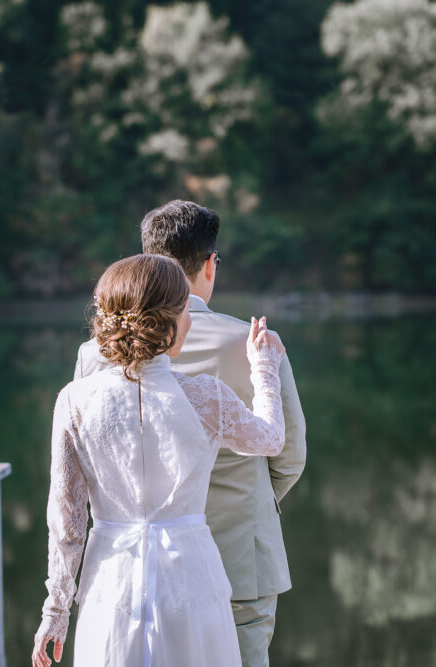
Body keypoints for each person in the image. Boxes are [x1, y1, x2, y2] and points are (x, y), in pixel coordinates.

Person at [74, 201, 306, 667]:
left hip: (131, 572)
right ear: (209, 264)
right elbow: (289, 455)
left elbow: (88, 461)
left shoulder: (96, 354)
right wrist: (252, 499)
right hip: (241, 560)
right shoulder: (253, 343)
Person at [32, 253, 287, 666]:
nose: (189, 320)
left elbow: (67, 522)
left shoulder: (74, 402)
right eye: (186, 310)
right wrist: (263, 370)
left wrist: (56, 611)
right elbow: (272, 439)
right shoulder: (205, 397)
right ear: (165, 323)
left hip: (110, 584)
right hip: (191, 579)